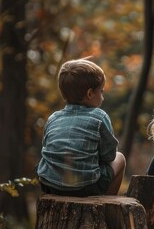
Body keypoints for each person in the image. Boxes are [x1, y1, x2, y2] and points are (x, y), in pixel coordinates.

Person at [37, 58, 126, 196]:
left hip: (49, 185)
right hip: (85, 187)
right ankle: (107, 201)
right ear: (90, 94)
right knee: (120, 158)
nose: (103, 97)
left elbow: (47, 148)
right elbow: (109, 156)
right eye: (101, 92)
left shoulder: (53, 118)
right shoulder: (99, 117)